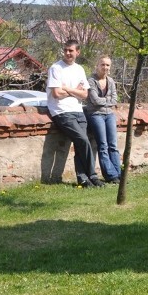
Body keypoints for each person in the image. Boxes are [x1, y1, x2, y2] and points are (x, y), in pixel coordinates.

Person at [46, 39, 102, 188]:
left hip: (78, 110)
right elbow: (57, 94)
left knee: (81, 144)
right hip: (62, 111)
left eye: (71, 50)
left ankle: (83, 179)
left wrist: (68, 89)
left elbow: (84, 95)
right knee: (83, 140)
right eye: (65, 50)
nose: (68, 53)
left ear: (78, 52)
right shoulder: (56, 68)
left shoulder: (79, 69)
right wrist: (75, 90)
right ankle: (93, 176)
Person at [85, 55, 122, 183]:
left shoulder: (111, 81)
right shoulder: (91, 81)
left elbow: (115, 99)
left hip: (109, 114)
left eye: (107, 65)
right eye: (103, 64)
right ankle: (110, 175)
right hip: (95, 114)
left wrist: (105, 101)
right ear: (97, 65)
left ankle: (118, 174)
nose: (105, 67)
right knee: (103, 145)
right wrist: (108, 100)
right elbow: (95, 101)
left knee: (113, 145)